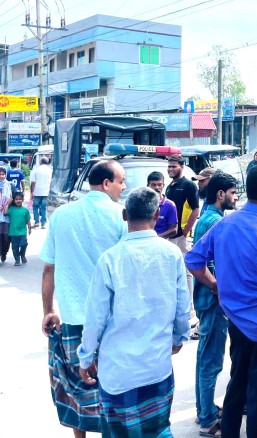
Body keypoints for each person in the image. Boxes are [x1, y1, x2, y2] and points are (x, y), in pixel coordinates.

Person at [186, 164, 257, 438]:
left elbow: (194, 260)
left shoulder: (225, 225)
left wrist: (214, 286)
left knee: (237, 383)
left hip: (235, 321)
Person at [76, 187, 190, 437]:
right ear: (158, 214)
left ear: (125, 215)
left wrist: (85, 358)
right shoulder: (171, 253)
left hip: (118, 373)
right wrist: (180, 338)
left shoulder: (110, 259)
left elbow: (95, 317)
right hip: (156, 368)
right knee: (158, 429)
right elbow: (183, 307)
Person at [39, 160, 127, 438]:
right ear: (105, 184)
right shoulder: (120, 216)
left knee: (77, 383)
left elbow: (49, 268)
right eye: (121, 182)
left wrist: (48, 311)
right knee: (110, 384)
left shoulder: (62, 215)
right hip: (110, 320)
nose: (123, 188)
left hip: (73, 318)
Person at [192, 172, 238, 436]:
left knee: (204, 358)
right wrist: (218, 288)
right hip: (212, 303)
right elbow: (206, 264)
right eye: (232, 193)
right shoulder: (214, 222)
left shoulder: (209, 218)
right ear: (220, 194)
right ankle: (208, 419)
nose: (235, 198)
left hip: (205, 301)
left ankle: (204, 408)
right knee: (211, 361)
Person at [166, 155, 200, 249]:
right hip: (170, 234)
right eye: (169, 166)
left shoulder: (189, 185)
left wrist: (185, 232)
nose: (170, 169)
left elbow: (195, 211)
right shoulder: (169, 187)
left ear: (182, 167)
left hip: (182, 237)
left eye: (174, 166)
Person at [148, 171, 178, 239]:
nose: (157, 187)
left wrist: (156, 238)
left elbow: (174, 230)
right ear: (148, 186)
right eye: (153, 185)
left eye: (159, 184)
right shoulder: (142, 203)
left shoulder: (170, 205)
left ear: (163, 185)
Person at [7, 191, 32, 266]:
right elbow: (5, 212)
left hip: (22, 232)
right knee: (15, 247)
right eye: (16, 199)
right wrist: (8, 204)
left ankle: (22, 255)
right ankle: (17, 260)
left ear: (23, 200)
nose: (18, 201)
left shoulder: (25, 210)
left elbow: (28, 220)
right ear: (14, 200)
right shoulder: (11, 209)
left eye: (20, 199)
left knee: (24, 244)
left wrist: (30, 228)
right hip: (13, 232)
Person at [30, 156, 52, 228]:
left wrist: (31, 192)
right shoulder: (51, 170)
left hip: (37, 192)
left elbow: (33, 182)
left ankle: (36, 222)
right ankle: (43, 223)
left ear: (40, 162)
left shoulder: (36, 170)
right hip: (46, 191)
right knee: (44, 207)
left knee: (35, 207)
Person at [0, 167, 12, 262]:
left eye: (3, 174)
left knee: (6, 237)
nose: (1, 176)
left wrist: (7, 204)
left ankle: (4, 253)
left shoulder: (10, 185)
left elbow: (15, 198)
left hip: (6, 215)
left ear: (5, 175)